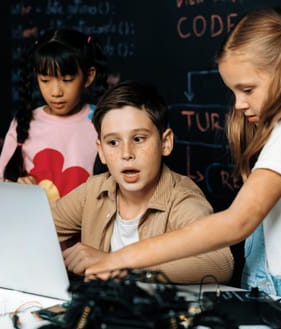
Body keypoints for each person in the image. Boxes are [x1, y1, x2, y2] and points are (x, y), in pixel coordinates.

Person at [86, 7, 281, 302]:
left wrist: (122, 259)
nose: (239, 104)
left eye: (247, 89)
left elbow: (237, 222)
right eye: (234, 92)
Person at [51, 80, 234, 284]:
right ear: (101, 151)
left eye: (138, 139)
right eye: (113, 142)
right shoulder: (94, 190)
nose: (126, 154)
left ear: (165, 143)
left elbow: (220, 264)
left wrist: (117, 264)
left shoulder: (182, 199)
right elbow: (36, 229)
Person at [0, 29, 108, 201]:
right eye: (45, 80)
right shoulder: (24, 122)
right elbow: (2, 185)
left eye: (67, 80)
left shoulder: (103, 122)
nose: (56, 92)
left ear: (89, 77)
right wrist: (19, 187)